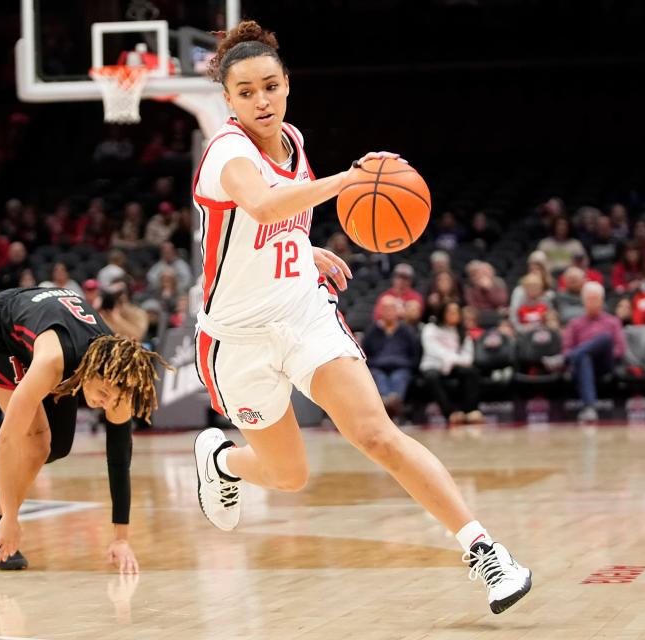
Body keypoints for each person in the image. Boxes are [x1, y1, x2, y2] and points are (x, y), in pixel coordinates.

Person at [188, 20, 530, 615]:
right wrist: (351, 180)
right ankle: (221, 460)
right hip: (236, 339)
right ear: (228, 99)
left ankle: (484, 550)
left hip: (301, 312)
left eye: (270, 86)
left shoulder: (291, 139)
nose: (261, 101)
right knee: (289, 475)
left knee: (376, 433)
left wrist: (302, 246)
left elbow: (273, 220)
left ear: (287, 84)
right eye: (246, 92)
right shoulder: (226, 151)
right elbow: (262, 203)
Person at [0, 286, 170, 573]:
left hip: (49, 327)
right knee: (36, 441)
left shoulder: (118, 378)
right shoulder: (52, 362)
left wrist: (121, 538)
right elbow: (7, 438)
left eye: (112, 399)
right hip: (0, 332)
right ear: (88, 372)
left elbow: (118, 458)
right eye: (102, 392)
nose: (105, 403)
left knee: (59, 446)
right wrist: (11, 517)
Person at [543, 282, 625, 423]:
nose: (593, 303)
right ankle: (590, 409)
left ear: (601, 301)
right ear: (583, 302)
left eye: (596, 299)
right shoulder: (575, 323)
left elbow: (620, 350)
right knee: (584, 356)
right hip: (581, 365)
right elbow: (567, 347)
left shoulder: (613, 321)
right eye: (589, 299)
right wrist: (584, 352)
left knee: (604, 338)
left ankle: (564, 360)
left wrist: (597, 350)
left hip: (605, 364)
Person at [420, 303, 484, 426]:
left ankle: (470, 411)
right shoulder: (430, 328)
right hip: (433, 364)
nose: (453, 315)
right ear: (443, 313)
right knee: (431, 377)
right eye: (450, 312)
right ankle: (450, 413)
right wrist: (451, 360)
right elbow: (432, 350)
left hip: (455, 365)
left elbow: (468, 355)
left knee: (471, 372)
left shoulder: (462, 331)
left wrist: (454, 361)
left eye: (456, 312)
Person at [362, 296, 420, 419]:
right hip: (377, 367)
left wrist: (411, 366)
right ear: (380, 311)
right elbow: (364, 352)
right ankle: (388, 402)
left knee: (399, 377)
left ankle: (392, 401)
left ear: (397, 311)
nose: (389, 312)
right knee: (378, 377)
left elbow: (415, 352)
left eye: (392, 308)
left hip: (401, 367)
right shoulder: (372, 330)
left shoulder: (406, 330)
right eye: (385, 309)